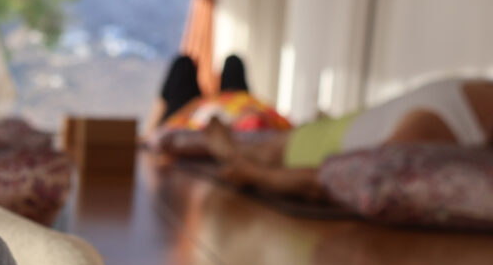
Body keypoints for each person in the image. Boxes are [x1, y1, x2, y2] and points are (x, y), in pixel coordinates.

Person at [203, 77, 493, 199]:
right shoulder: (428, 131)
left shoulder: (477, 92)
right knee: (256, 156)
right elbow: (325, 180)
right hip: (322, 142)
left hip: (353, 122)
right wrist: (257, 176)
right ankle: (226, 144)